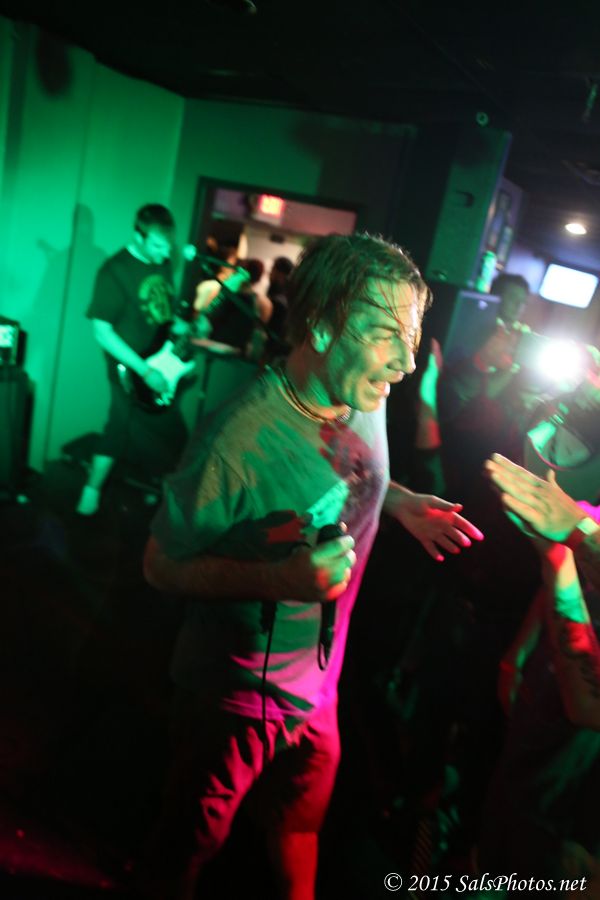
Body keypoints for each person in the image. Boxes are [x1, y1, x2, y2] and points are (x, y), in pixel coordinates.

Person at [134, 232, 484, 900]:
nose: (406, 362)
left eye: (412, 336)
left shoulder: (363, 391)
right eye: (385, 335)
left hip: (319, 685)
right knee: (188, 850)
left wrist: (396, 500)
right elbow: (159, 565)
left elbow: (344, 465)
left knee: (300, 827)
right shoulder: (234, 446)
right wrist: (280, 581)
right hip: (238, 697)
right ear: (320, 327)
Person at [479, 452, 600, 893]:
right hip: (556, 680)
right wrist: (558, 559)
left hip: (577, 786)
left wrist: (578, 533)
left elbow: (588, 708)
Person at [76, 204, 189, 516]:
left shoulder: (162, 264)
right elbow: (101, 331)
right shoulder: (115, 270)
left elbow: (163, 313)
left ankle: (157, 489)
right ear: (138, 236)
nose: (165, 254)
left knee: (169, 432)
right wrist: (145, 371)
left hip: (158, 362)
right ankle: (91, 491)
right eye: (158, 245)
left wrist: (183, 325)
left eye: (168, 246)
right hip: (127, 367)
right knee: (119, 423)